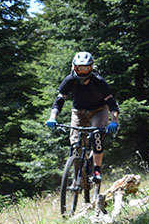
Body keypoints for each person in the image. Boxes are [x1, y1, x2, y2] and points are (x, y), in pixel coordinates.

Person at [46, 51, 120, 182]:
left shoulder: (99, 81)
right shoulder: (70, 80)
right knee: (75, 144)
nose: (83, 72)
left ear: (91, 68)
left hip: (99, 109)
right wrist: (53, 117)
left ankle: (96, 169)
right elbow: (59, 100)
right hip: (78, 111)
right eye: (80, 68)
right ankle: (79, 174)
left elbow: (111, 103)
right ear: (75, 68)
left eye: (86, 68)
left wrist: (114, 121)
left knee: (97, 135)